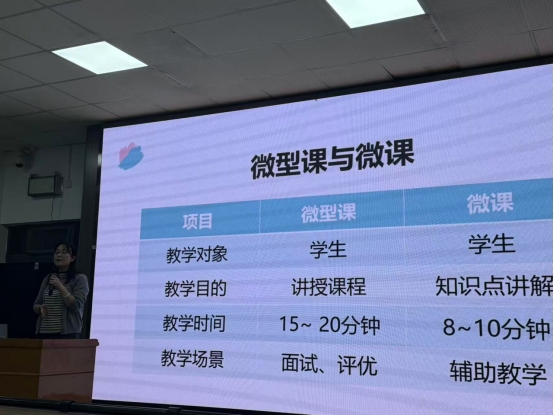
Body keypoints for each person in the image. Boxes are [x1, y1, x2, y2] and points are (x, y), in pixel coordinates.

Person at [33, 243, 90, 339]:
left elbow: (75, 306)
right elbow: (36, 304)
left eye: (64, 252)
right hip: (44, 331)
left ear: (72, 258)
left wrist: (60, 286)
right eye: (57, 252)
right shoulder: (48, 278)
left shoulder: (80, 279)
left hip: (67, 334)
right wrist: (39, 308)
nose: (59, 255)